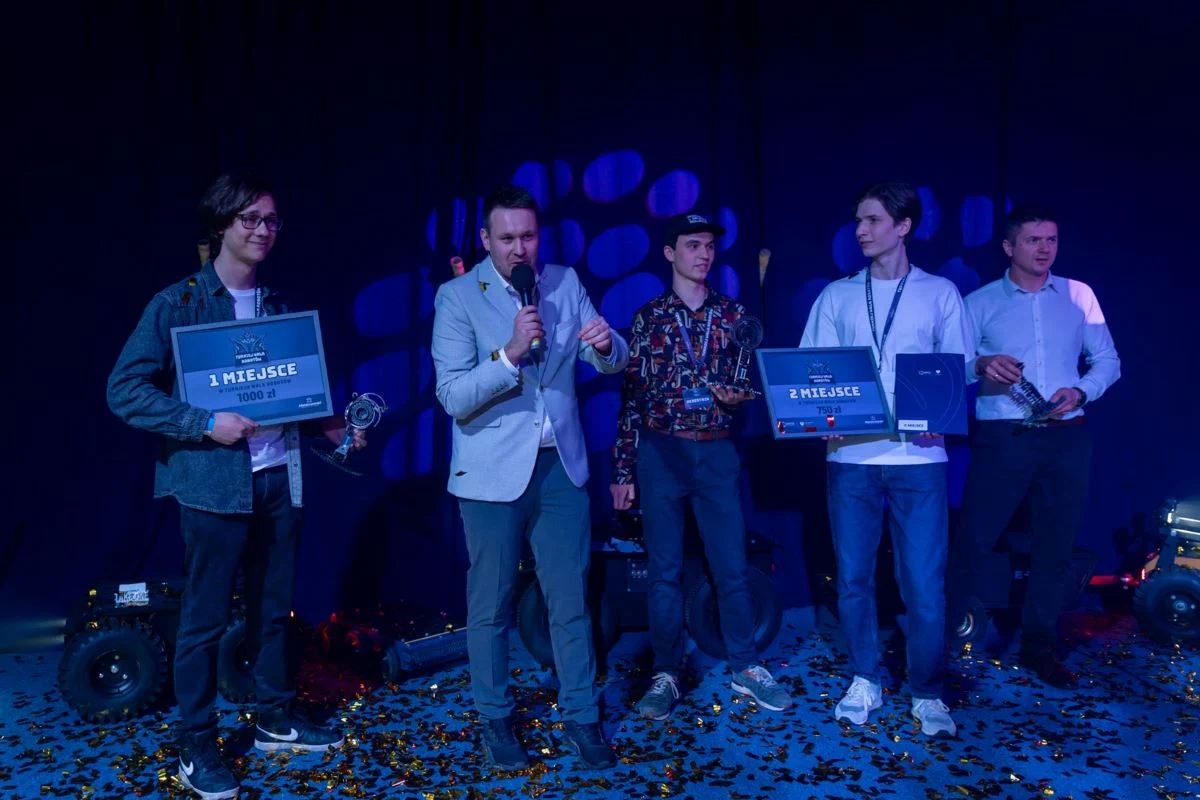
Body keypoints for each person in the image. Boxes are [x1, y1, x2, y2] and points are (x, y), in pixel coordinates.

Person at [107, 174, 362, 800]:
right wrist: (203, 422)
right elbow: (125, 390)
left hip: (279, 479)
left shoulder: (279, 306)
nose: (262, 230)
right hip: (213, 489)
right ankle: (197, 742)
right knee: (204, 621)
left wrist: (327, 423)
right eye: (249, 219)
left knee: (273, 611)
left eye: (271, 220)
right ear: (220, 224)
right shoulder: (178, 304)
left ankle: (274, 717)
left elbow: (286, 393)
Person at [431, 184, 629, 770]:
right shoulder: (458, 296)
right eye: (507, 238)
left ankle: (582, 715)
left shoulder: (564, 283)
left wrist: (608, 344)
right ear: (486, 240)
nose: (520, 248)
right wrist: (510, 353)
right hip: (491, 473)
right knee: (490, 605)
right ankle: (495, 718)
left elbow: (609, 357)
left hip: (560, 467)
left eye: (528, 236)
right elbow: (452, 396)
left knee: (569, 599)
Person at [799, 181, 972, 738]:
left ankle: (927, 690)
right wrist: (819, 411)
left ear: (903, 226)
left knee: (923, 582)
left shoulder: (940, 292)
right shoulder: (837, 296)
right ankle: (865, 679)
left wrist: (938, 408)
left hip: (920, 460)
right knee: (853, 577)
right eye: (858, 220)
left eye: (872, 220)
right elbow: (811, 368)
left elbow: (960, 365)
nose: (861, 230)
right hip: (850, 457)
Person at [610, 213, 793, 720]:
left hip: (715, 451)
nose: (704, 255)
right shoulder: (649, 318)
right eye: (693, 245)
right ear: (670, 253)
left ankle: (745, 666)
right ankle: (666, 672)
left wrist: (737, 398)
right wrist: (622, 470)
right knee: (664, 572)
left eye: (709, 246)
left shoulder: (733, 316)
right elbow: (631, 398)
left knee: (731, 566)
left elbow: (746, 386)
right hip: (661, 452)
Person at [948, 204, 1120, 688]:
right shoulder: (979, 302)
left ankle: (1038, 648)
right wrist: (981, 365)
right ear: (1009, 246)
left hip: (1066, 436)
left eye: (1051, 240)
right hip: (1005, 437)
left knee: (1055, 549)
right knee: (973, 543)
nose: (1045, 249)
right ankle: (937, 648)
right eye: (1033, 240)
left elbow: (1108, 359)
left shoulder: (1079, 295)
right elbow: (949, 365)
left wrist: (1081, 391)